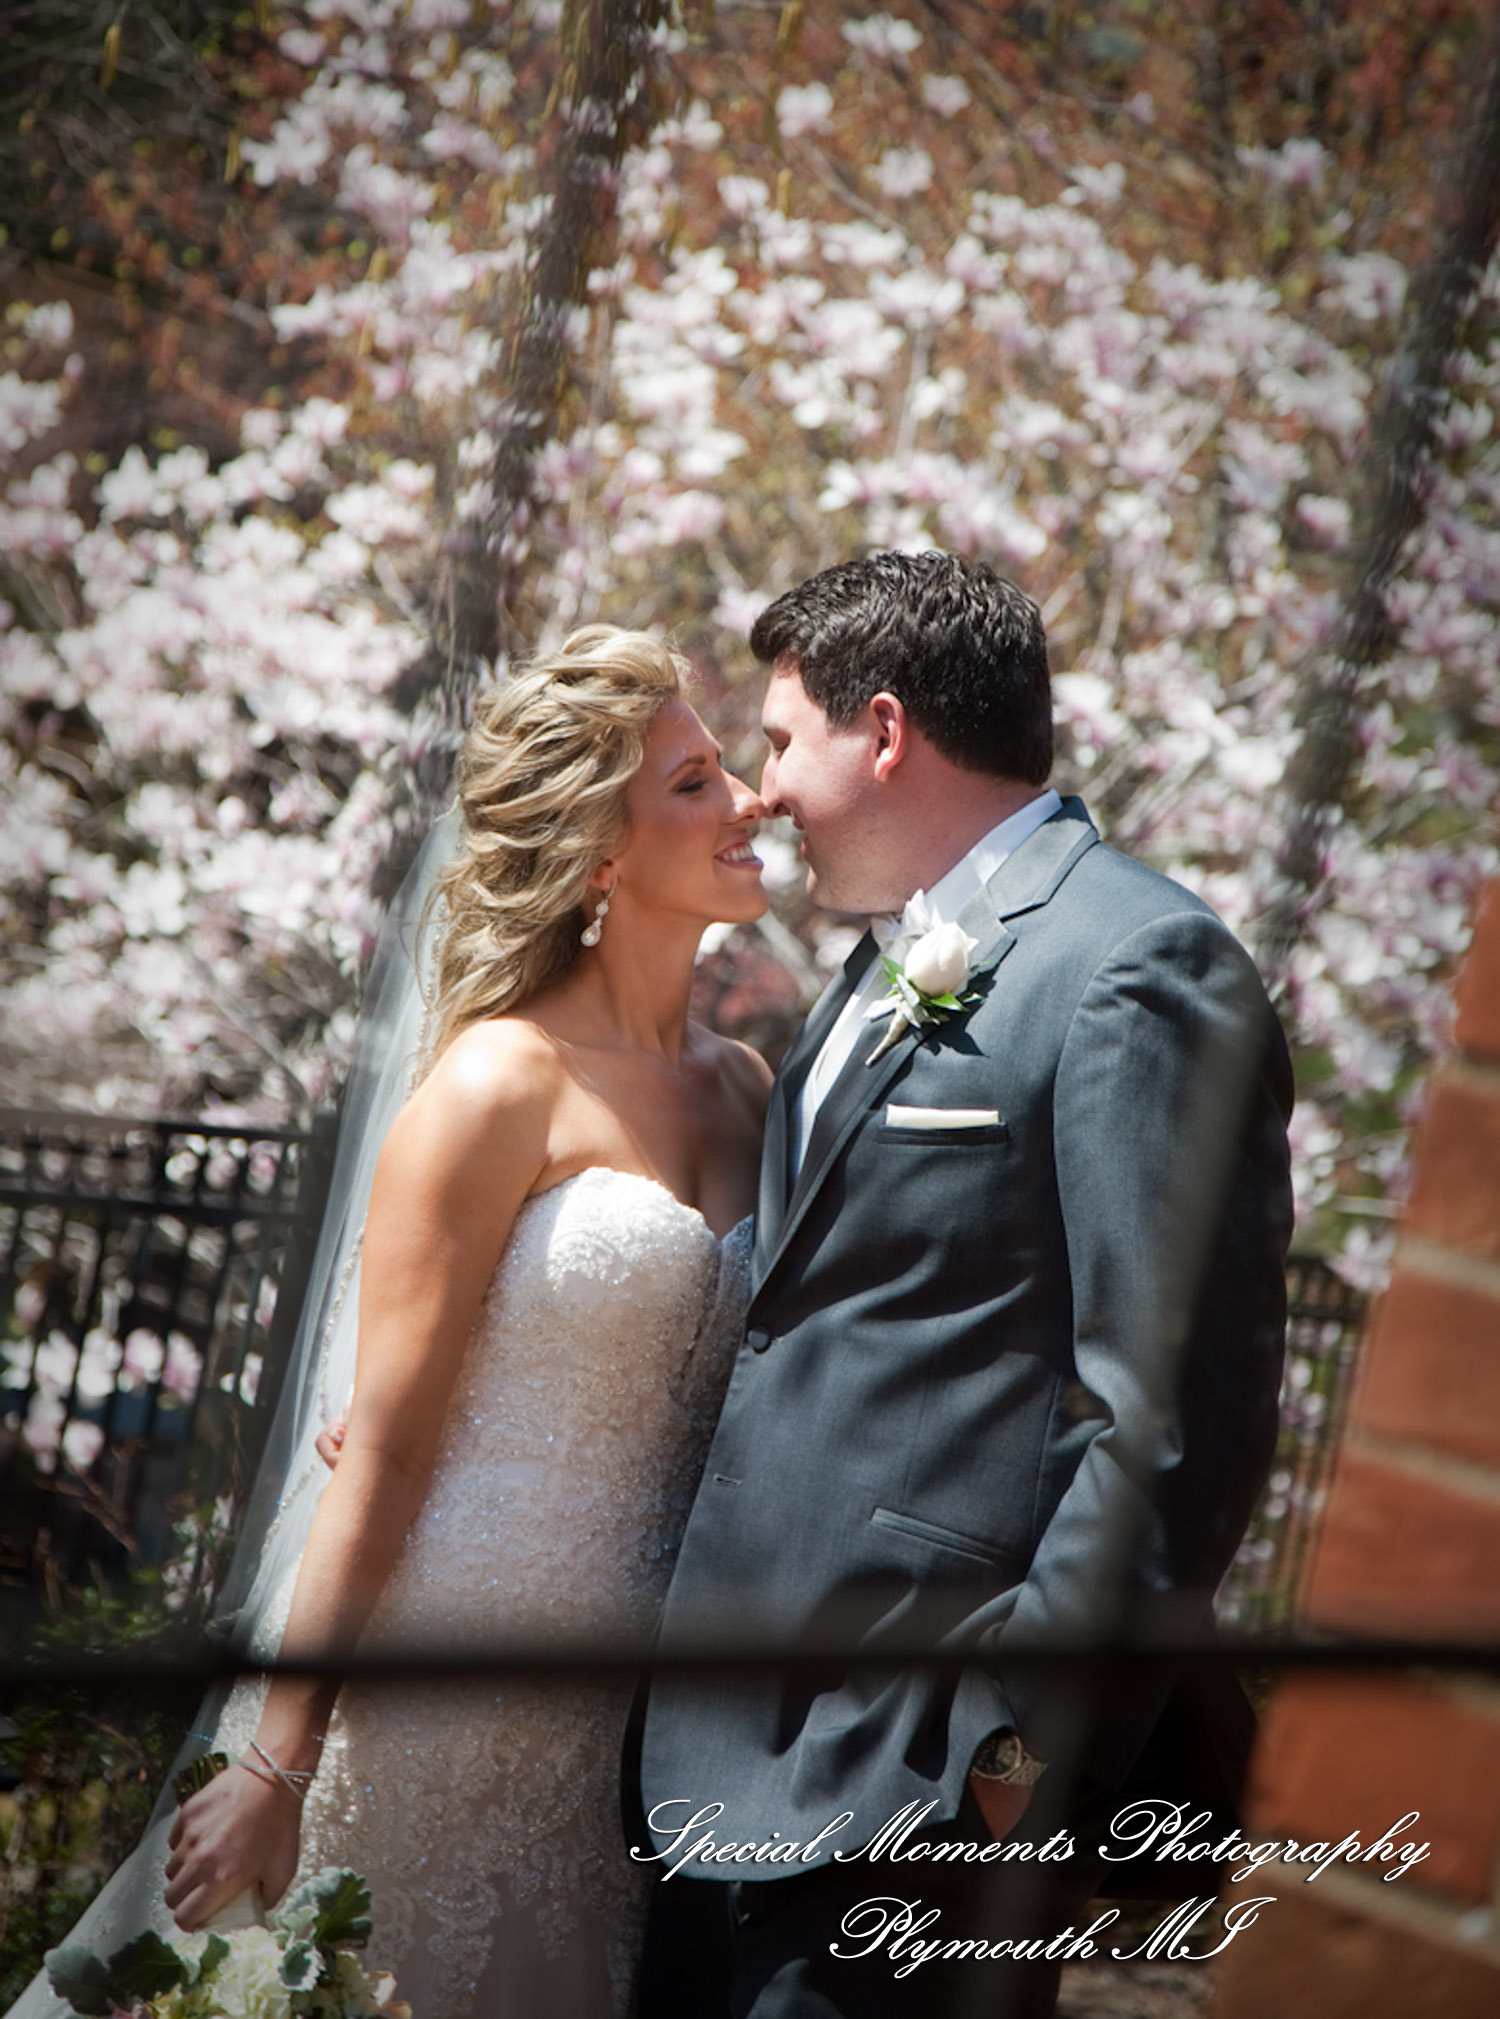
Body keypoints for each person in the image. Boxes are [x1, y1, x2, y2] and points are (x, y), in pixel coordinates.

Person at [9, 626, 771, 2019]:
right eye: (695, 784)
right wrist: (277, 1764)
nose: (750, 801)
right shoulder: (497, 1084)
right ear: (597, 856)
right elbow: (390, 1448)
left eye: (727, 770)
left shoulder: (750, 1093)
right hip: (434, 1671)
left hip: (619, 1726)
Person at [636, 551, 1295, 2019]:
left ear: (883, 733)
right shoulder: (875, 969)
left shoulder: (1136, 965)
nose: (763, 793)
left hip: (913, 1799)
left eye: (781, 743)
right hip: (712, 1771)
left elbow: (1172, 1425)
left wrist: (1007, 1765)